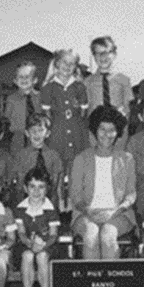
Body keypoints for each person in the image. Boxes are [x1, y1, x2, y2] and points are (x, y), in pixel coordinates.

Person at [70, 105, 136, 260]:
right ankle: (91, 283)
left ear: (118, 132)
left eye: (112, 130)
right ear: (95, 130)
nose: (107, 134)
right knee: (91, 235)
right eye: (102, 129)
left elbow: (131, 194)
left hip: (119, 213)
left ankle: (112, 282)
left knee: (107, 236)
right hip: (85, 213)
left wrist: (114, 212)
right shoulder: (81, 158)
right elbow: (75, 195)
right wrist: (89, 211)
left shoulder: (127, 159)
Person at [14, 168, 61, 287]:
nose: (36, 191)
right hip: (25, 245)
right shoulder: (20, 209)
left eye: (41, 187)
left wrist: (42, 245)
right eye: (32, 186)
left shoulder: (51, 211)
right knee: (27, 255)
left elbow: (53, 236)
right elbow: (21, 232)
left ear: (47, 189)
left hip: (47, 247)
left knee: (41, 256)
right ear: (25, 188)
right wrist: (29, 243)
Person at [40, 49, 89, 187]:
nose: (67, 66)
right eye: (64, 62)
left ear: (76, 67)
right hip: (57, 135)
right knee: (56, 173)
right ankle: (58, 203)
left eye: (72, 63)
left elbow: (83, 113)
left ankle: (75, 205)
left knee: (76, 172)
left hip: (76, 134)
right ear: (56, 64)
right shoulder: (48, 87)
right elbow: (46, 115)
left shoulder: (80, 87)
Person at [84, 36, 133, 150]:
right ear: (94, 56)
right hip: (95, 135)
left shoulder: (124, 80)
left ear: (114, 54)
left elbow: (128, 109)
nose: (103, 57)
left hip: (118, 134)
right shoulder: (87, 82)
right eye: (98, 53)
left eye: (107, 52)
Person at [9, 112, 63, 209]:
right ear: (27, 133)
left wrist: (53, 207)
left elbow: (55, 184)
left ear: (47, 133)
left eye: (40, 130)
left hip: (47, 199)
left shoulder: (54, 155)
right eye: (32, 130)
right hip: (27, 199)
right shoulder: (21, 155)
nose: (36, 134)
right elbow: (19, 184)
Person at [4, 61, 43, 158]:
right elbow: (7, 117)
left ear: (35, 80)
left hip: (38, 137)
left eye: (27, 76)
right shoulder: (11, 99)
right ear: (15, 81)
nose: (24, 79)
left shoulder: (41, 97)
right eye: (20, 77)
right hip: (18, 139)